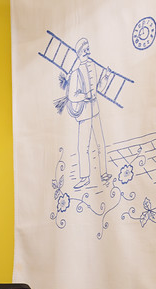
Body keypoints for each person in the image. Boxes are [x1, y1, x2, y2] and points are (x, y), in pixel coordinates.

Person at [64, 38, 111, 188]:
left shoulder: (93, 67)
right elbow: (72, 96)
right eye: (84, 50)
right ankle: (84, 177)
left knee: (100, 143)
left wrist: (105, 77)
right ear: (79, 53)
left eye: (88, 49)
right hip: (84, 113)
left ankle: (104, 173)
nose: (87, 52)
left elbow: (98, 88)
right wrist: (84, 96)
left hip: (95, 110)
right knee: (83, 146)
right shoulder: (75, 72)